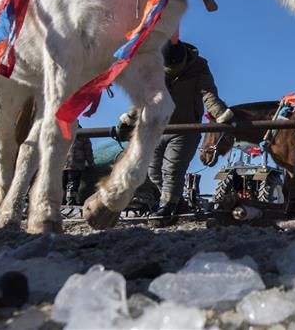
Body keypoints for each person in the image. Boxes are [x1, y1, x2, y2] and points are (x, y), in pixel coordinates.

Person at [119, 38, 233, 225]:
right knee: (153, 170)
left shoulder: (198, 67)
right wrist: (130, 118)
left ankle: (166, 208)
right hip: (157, 126)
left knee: (172, 169)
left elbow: (208, 94)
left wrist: (221, 114)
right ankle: (178, 204)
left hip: (185, 128)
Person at [63, 121, 94, 206]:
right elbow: (88, 149)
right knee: (73, 182)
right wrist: (91, 162)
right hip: (75, 163)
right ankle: (70, 201)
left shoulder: (62, 132)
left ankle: (60, 201)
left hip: (62, 163)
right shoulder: (83, 133)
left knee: (62, 183)